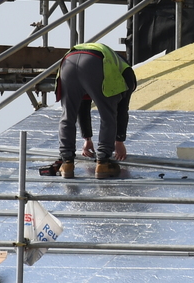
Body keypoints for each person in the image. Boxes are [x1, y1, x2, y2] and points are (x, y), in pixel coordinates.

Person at [41, 40, 137, 179]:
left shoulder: (114, 64)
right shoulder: (127, 74)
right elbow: (120, 111)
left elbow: (83, 106)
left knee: (68, 115)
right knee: (107, 114)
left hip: (68, 61)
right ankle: (103, 163)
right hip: (94, 63)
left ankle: (67, 163)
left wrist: (87, 139)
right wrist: (119, 141)